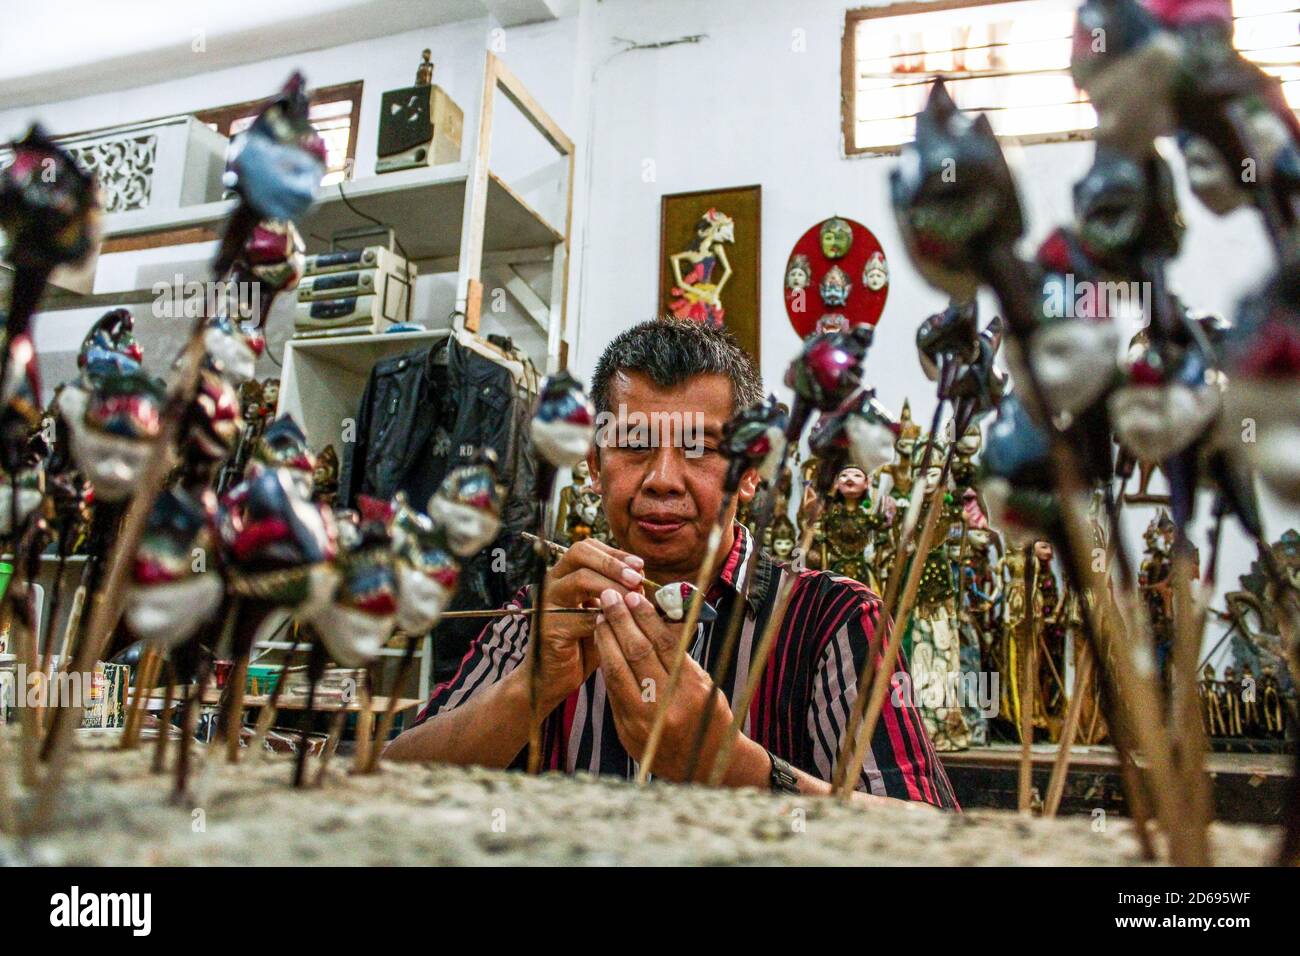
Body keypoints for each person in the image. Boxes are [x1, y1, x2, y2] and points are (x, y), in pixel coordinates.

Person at [385, 319, 958, 808]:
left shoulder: (832, 620)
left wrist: (738, 767)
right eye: (634, 444)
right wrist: (529, 688)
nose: (662, 480)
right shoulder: (549, 610)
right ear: (595, 461)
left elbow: (933, 842)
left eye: (700, 449)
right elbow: (391, 786)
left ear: (752, 469)